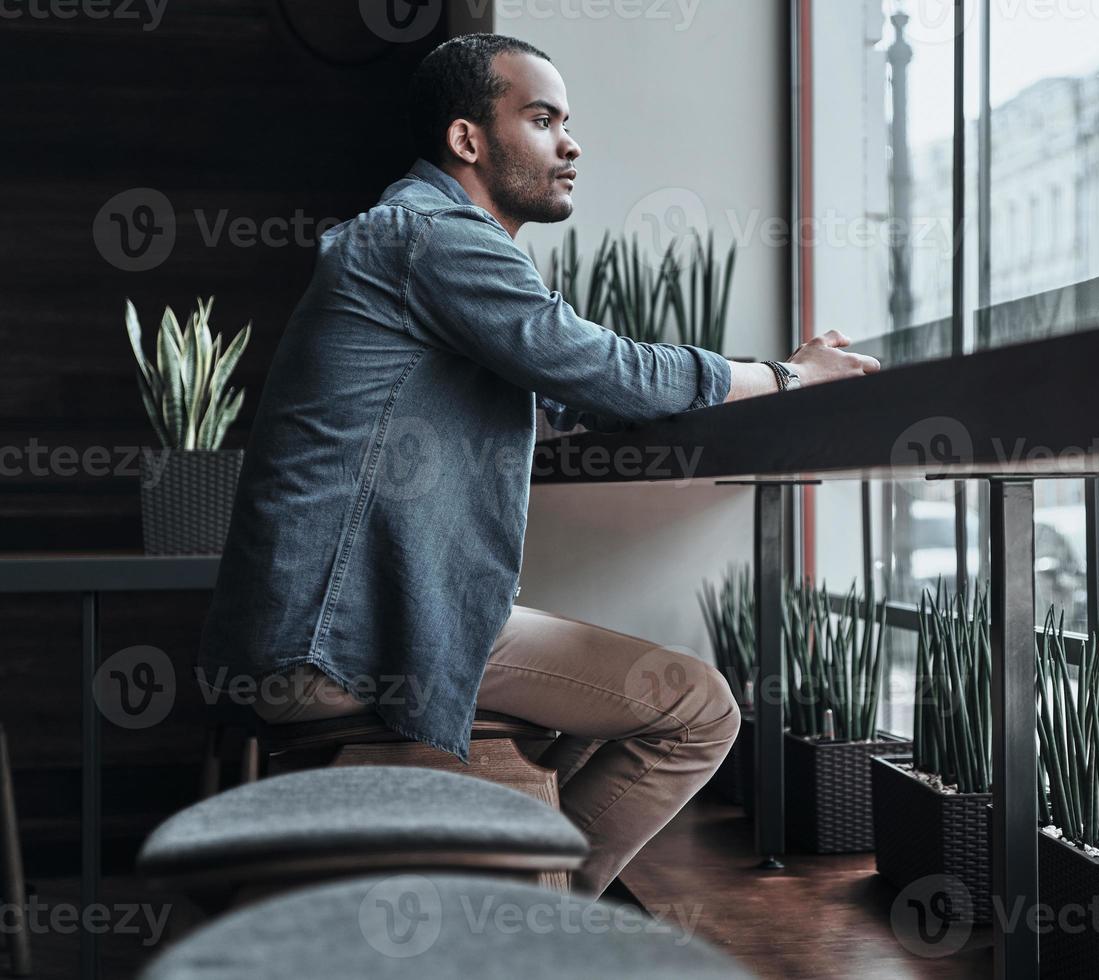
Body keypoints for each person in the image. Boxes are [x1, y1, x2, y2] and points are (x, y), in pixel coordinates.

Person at [195, 33, 880, 898]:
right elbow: (605, 370)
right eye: (543, 118)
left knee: (603, 712)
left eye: (567, 121)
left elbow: (575, 391)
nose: (571, 143)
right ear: (468, 141)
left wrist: (718, 380)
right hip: (348, 641)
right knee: (699, 709)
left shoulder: (418, 240)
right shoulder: (435, 236)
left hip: (336, 627)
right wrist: (785, 377)